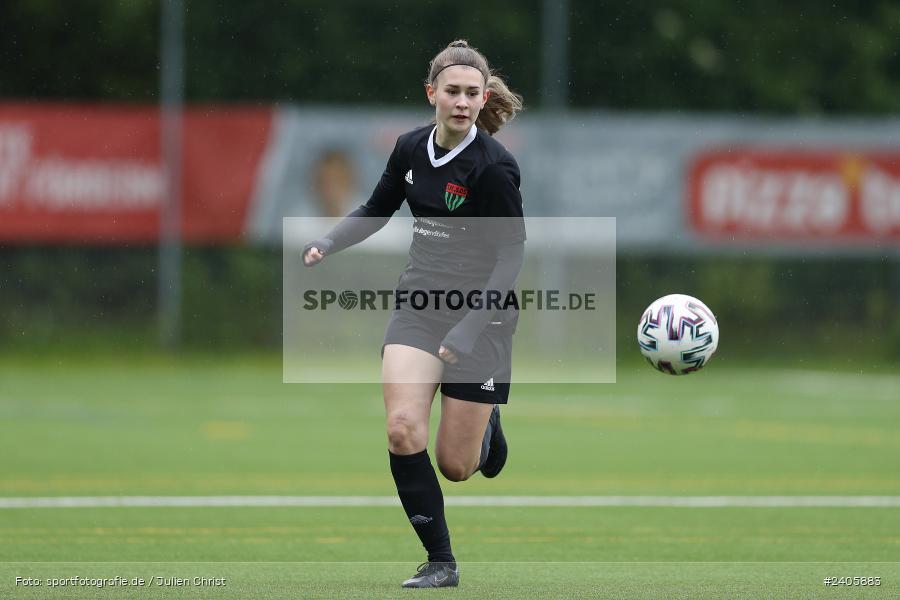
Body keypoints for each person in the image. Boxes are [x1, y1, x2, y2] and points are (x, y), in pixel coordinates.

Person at [302, 39, 524, 589]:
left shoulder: (495, 167)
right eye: (452, 91)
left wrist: (469, 330)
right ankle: (440, 561)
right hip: (420, 308)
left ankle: (486, 427)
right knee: (402, 429)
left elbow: (510, 257)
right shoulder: (409, 148)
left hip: (483, 319)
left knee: (456, 466)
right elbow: (377, 207)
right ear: (432, 94)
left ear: (483, 98)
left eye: (472, 93)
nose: (462, 102)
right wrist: (329, 241)